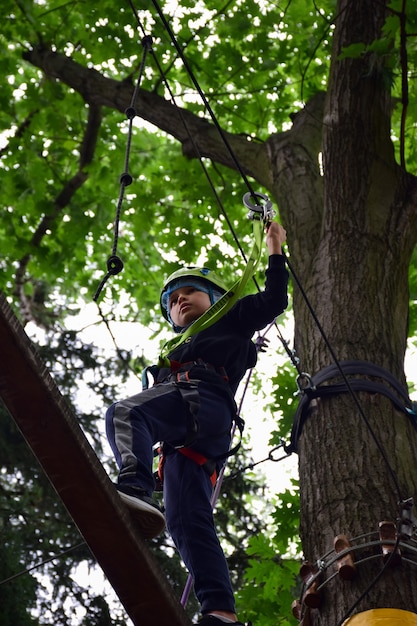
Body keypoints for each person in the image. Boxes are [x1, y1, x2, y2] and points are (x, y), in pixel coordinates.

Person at [105, 221, 288, 626]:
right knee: (186, 521)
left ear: (218, 298)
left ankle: (132, 488)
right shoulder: (178, 348)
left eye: (189, 292)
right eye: (172, 300)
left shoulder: (231, 318)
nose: (179, 300)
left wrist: (275, 248)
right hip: (193, 436)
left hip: (202, 402)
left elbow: (274, 300)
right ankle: (220, 611)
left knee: (125, 412)